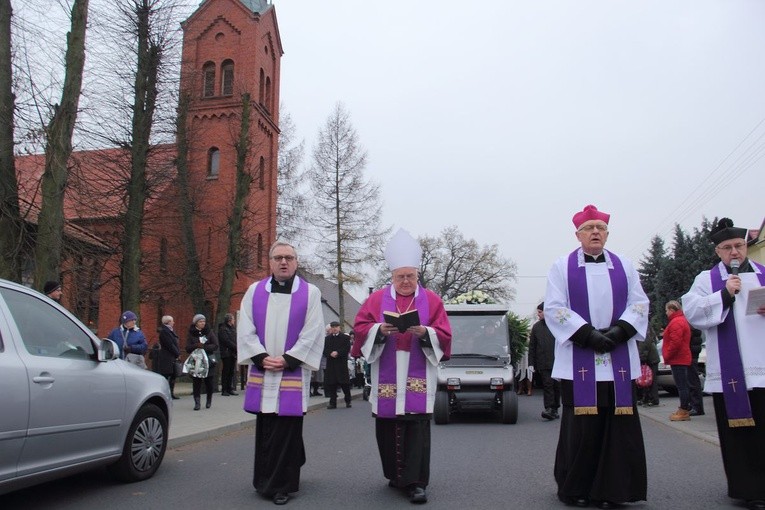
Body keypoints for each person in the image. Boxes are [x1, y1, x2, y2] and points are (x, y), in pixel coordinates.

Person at [544, 204, 649, 509]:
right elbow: (555, 307)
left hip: (618, 352)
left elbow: (639, 303)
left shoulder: (625, 265)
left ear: (606, 233)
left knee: (619, 426)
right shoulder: (561, 266)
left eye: (600, 228)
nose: (595, 233)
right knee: (582, 429)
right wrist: (589, 336)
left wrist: (618, 333)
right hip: (580, 356)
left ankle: (615, 489)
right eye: (589, 228)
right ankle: (576, 487)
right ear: (578, 234)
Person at [352, 228, 452, 505]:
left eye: (410, 276)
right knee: (388, 424)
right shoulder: (375, 300)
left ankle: (416, 482)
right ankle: (395, 475)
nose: (405, 281)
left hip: (418, 367)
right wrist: (379, 330)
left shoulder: (432, 300)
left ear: (417, 275)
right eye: (400, 277)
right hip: (387, 365)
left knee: (415, 426)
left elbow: (444, 334)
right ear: (392, 277)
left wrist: (426, 333)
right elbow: (359, 329)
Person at [681, 217, 765, 510]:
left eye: (739, 246)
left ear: (746, 247)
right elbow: (692, 311)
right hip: (732, 372)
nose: (735, 252)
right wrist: (724, 295)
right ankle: (749, 489)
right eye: (727, 247)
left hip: (763, 367)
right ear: (718, 251)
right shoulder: (707, 280)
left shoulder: (764, 274)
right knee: (740, 433)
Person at [237, 241, 324, 506]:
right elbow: (245, 327)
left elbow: (313, 331)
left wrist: (288, 360)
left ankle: (281, 486)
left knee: (287, 426)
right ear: (270, 262)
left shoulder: (310, 293)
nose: (283, 262)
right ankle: (263, 479)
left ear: (296, 262)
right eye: (278, 258)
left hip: (291, 371)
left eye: (289, 257)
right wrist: (262, 357)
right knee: (266, 426)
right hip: (264, 370)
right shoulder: (254, 291)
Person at [529, 302, 561, 420]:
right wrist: (531, 363)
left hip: (557, 361)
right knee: (547, 385)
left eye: (540, 312)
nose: (538, 314)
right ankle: (549, 408)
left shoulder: (556, 325)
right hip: (542, 362)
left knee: (556, 386)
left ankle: (555, 407)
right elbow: (532, 346)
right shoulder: (536, 327)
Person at [663, 300, 692, 421]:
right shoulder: (680, 320)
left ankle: (684, 410)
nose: (666, 313)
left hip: (678, 358)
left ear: (671, 310)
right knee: (683, 385)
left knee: (681, 386)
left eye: (666, 310)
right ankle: (684, 407)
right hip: (681, 357)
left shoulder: (676, 322)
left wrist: (668, 355)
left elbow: (676, 342)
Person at [186, 314, 218, 411]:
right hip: (197, 361)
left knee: (209, 382)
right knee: (197, 382)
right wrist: (196, 345)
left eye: (203, 321)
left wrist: (205, 347)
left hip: (208, 360)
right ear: (196, 323)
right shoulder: (191, 333)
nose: (203, 323)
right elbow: (187, 348)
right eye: (200, 321)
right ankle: (197, 402)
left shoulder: (209, 332)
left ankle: (209, 400)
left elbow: (215, 345)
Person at [323, 320, 352, 409]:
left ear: (339, 328)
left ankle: (348, 401)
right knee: (332, 384)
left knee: (345, 384)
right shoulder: (327, 339)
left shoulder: (345, 338)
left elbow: (346, 349)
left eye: (336, 327)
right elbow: (324, 350)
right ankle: (333, 402)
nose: (334, 328)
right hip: (331, 364)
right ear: (331, 328)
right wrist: (330, 353)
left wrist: (338, 353)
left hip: (341, 364)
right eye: (333, 327)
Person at [157, 315, 181, 400]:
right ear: (168, 322)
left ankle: (171, 392)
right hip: (167, 357)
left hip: (172, 357)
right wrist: (177, 353)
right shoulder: (164, 332)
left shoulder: (170, 331)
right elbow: (170, 344)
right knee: (166, 375)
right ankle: (165, 393)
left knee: (173, 375)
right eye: (172, 321)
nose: (173, 322)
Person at [637, 327, 660, 407]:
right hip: (651, 357)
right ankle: (647, 398)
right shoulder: (646, 327)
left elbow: (644, 344)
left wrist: (642, 358)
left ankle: (653, 399)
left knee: (650, 380)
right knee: (648, 379)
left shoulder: (643, 328)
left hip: (650, 359)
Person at [218, 313, 239, 396]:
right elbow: (226, 341)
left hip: (232, 353)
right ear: (229, 320)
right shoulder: (223, 329)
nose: (234, 321)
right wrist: (236, 347)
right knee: (226, 371)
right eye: (233, 319)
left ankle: (230, 388)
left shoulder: (232, 329)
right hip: (226, 352)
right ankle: (224, 389)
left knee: (231, 371)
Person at [687, 326, 705, 416]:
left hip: (691, 353)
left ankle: (697, 406)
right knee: (691, 381)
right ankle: (694, 405)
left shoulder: (692, 325)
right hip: (692, 352)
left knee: (693, 381)